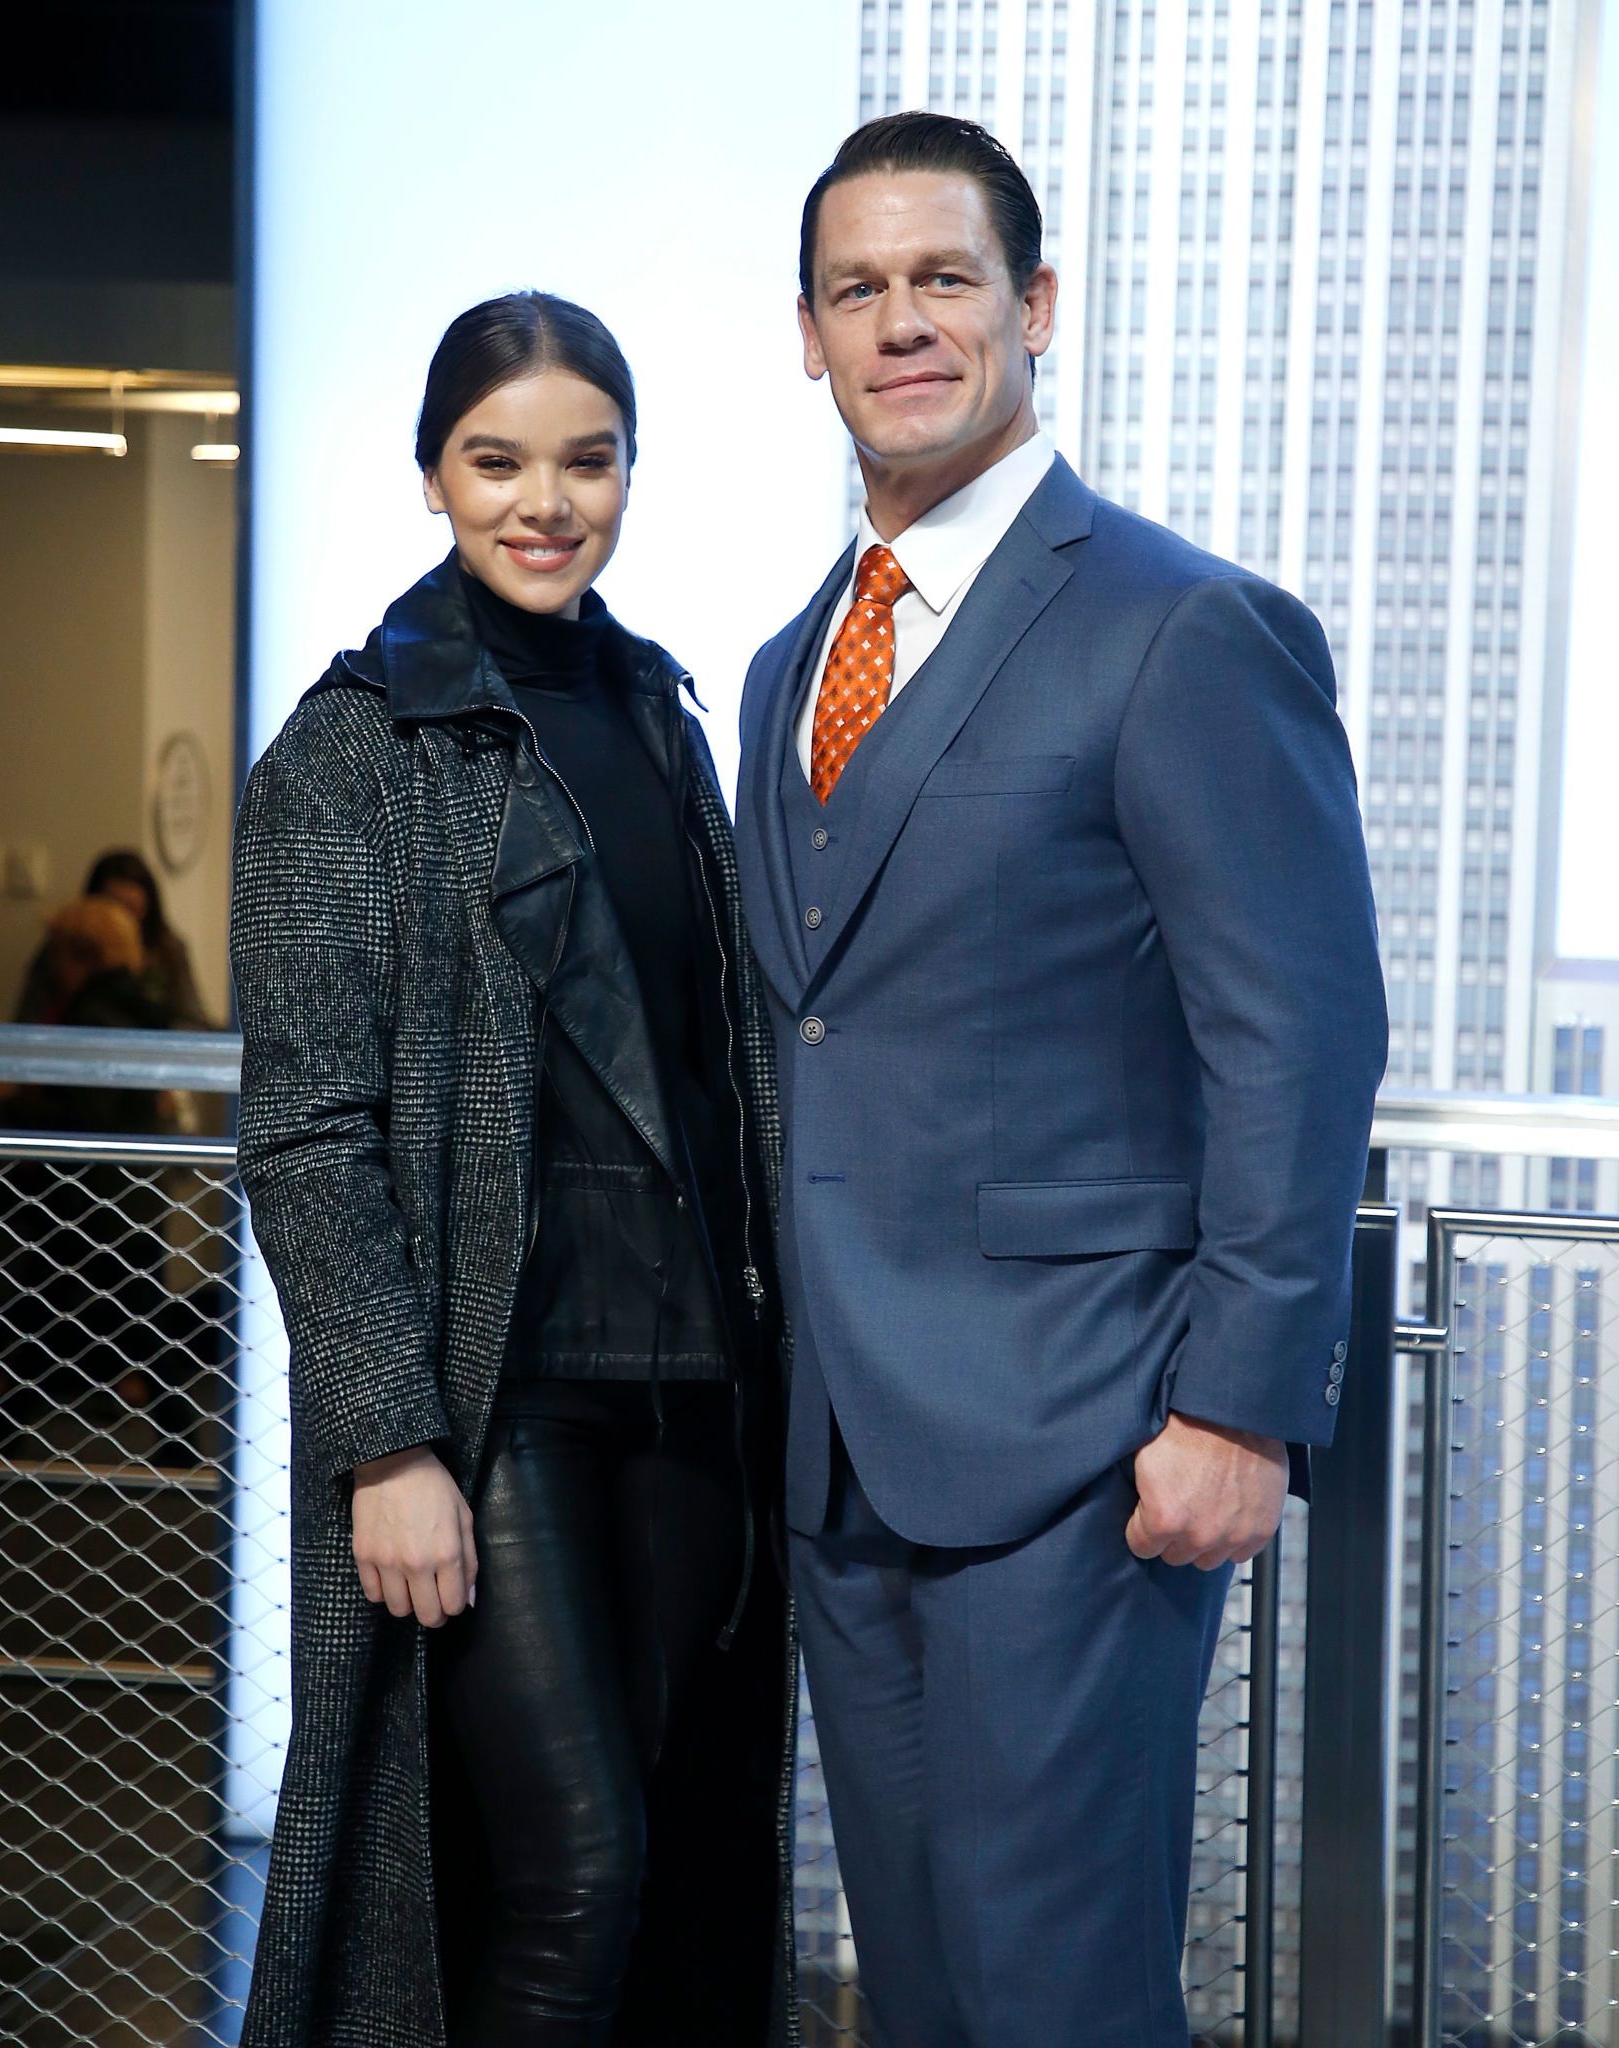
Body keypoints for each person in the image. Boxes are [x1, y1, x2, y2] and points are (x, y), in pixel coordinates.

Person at [732, 112, 1389, 2046]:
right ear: (807, 335)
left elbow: (1298, 1029)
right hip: (842, 1450)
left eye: (944, 279)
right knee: (917, 1986)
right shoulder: (787, 662)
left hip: (1088, 1441)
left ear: (1032, 307)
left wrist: (1239, 1409)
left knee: (1054, 1993)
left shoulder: (1181, 626)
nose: (901, 322)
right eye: (858, 288)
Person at [230, 293, 794, 2048]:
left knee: (683, 1874)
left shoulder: (662, 718)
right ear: (430, 477)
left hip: (695, 1385)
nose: (546, 501)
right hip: (498, 1400)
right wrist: (392, 1436)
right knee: (573, 1868)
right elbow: (308, 1131)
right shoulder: (351, 749)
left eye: (587, 459)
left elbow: (726, 1074)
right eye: (498, 460)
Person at [12, 848, 212, 1029]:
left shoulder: (167, 948)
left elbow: (192, 1019)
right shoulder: (66, 946)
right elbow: (27, 1020)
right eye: (113, 908)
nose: (122, 920)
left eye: (132, 909)